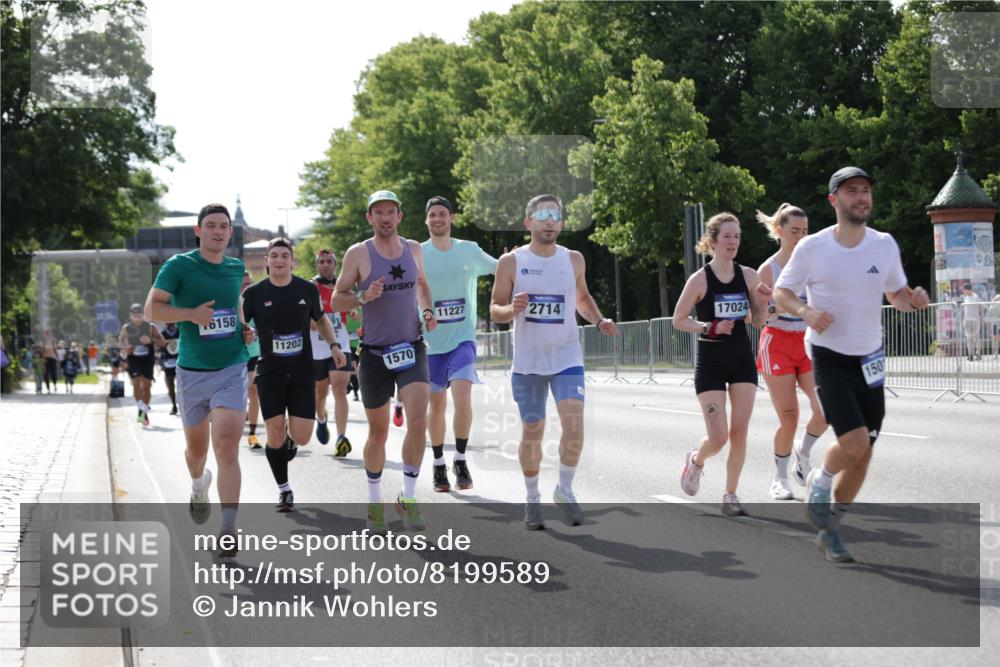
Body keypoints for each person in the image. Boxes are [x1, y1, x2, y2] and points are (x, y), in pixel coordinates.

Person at [774, 166, 930, 563]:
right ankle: (821, 479)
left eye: (865, 191)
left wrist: (910, 299)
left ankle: (830, 532)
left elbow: (894, 292)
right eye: (852, 191)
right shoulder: (813, 248)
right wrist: (806, 312)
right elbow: (781, 291)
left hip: (871, 358)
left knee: (865, 454)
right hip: (828, 356)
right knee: (853, 442)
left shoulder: (884, 244)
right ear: (834, 200)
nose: (861, 197)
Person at [490, 194, 618, 530]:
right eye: (543, 214)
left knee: (574, 424)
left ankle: (564, 488)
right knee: (534, 430)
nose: (550, 221)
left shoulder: (573, 259)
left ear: (561, 223)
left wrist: (599, 320)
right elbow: (495, 309)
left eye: (556, 215)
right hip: (529, 362)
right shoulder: (512, 262)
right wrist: (510, 310)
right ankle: (532, 500)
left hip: (567, 357)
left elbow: (582, 298)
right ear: (528, 222)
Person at [145, 203, 255, 558]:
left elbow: (234, 309)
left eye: (224, 226)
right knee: (197, 453)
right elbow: (152, 309)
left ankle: (228, 528)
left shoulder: (236, 268)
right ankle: (198, 483)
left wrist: (244, 328)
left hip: (231, 367)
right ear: (198, 230)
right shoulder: (179, 266)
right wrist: (191, 315)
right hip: (192, 372)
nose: (219, 231)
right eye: (211, 226)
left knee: (226, 445)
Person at [331, 190, 438, 534]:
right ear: (370, 218)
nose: (386, 218)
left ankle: (407, 497)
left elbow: (422, 284)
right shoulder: (358, 253)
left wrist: (427, 310)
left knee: (418, 421)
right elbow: (336, 300)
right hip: (374, 354)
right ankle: (375, 500)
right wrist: (363, 296)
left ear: (400, 216)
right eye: (379, 213)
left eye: (391, 212)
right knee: (378, 433)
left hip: (412, 347)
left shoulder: (415, 249)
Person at [675, 212, 769, 517]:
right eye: (727, 236)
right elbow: (679, 320)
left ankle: (730, 495)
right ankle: (697, 461)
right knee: (718, 437)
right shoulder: (700, 279)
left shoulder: (750, 276)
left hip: (742, 361)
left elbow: (759, 322)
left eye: (737, 236)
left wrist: (765, 301)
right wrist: (709, 327)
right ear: (713, 241)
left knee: (740, 432)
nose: (733, 242)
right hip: (711, 364)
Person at [243, 237, 346, 512]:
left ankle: (289, 438)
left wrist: (334, 345)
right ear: (266, 261)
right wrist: (245, 333)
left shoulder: (306, 289)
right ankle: (284, 489)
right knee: (274, 432)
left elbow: (321, 319)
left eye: (284, 256)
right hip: (269, 372)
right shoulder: (253, 294)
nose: (279, 260)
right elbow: (240, 324)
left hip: (302, 372)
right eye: (274, 255)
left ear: (292, 260)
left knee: (301, 437)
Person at [421, 195, 498, 492]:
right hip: (429, 342)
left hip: (462, 338)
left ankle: (461, 458)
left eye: (443, 214)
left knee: (463, 394)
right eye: (433, 215)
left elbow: (499, 268)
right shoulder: (417, 253)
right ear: (427, 221)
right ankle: (439, 462)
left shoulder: (469, 250)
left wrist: (516, 260)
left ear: (452, 218)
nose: (438, 219)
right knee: (436, 403)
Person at [755, 204, 829, 500]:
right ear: (779, 231)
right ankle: (780, 479)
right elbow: (757, 318)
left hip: (809, 342)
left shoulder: (815, 264)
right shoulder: (768, 269)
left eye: (805, 231)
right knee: (789, 416)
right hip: (778, 342)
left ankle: (804, 451)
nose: (800, 236)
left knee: (826, 407)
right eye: (794, 231)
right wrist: (777, 306)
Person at [310, 249, 354, 456]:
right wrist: (308, 320)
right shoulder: (311, 287)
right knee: (320, 394)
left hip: (341, 343)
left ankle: (341, 436)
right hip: (317, 349)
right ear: (317, 265)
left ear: (335, 265)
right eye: (322, 261)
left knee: (339, 388)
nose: (326, 265)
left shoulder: (343, 286)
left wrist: (352, 309)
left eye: (329, 261)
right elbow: (302, 311)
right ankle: (321, 419)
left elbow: (353, 304)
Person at [120, 304, 165, 426]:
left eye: (139, 316)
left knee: (146, 386)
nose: (137, 318)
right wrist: (125, 348)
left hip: (147, 359)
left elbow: (162, 342)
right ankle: (141, 410)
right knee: (136, 384)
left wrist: (151, 340)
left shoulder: (150, 327)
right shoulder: (127, 328)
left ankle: (142, 412)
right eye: (134, 316)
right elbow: (122, 339)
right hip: (134, 359)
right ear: (130, 316)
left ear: (143, 316)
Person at [242, 271, 263, 449]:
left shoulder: (258, 303)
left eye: (250, 283)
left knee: (253, 392)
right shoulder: (231, 306)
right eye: (244, 284)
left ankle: (252, 434)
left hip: (254, 355)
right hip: (233, 357)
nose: (247, 287)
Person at [158, 322, 181, 415]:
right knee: (170, 386)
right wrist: (162, 345)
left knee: (182, 386)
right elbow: (158, 347)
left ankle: (183, 405)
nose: (170, 323)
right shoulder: (162, 334)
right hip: (168, 362)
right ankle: (174, 405)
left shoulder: (180, 331)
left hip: (181, 361)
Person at [960, 283, 983, 361]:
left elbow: (980, 307)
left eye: (964, 289)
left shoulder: (976, 297)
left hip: (975, 320)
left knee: (976, 337)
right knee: (968, 338)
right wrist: (963, 319)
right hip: (967, 320)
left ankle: (978, 353)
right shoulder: (965, 297)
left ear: (968, 289)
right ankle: (970, 355)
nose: (963, 291)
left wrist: (982, 318)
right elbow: (964, 309)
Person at [344, 307, 363, 401]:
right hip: (348, 345)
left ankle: (353, 387)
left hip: (360, 345)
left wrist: (355, 333)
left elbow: (363, 328)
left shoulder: (360, 310)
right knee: (352, 365)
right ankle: (354, 390)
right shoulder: (343, 310)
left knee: (354, 366)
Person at [986, 294, 1000, 358]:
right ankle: (995, 353)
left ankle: (995, 353)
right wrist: (989, 327)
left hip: (996, 325)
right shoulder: (992, 306)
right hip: (995, 325)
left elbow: (988, 317)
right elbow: (988, 317)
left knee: (995, 340)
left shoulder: (992, 306)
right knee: (995, 340)